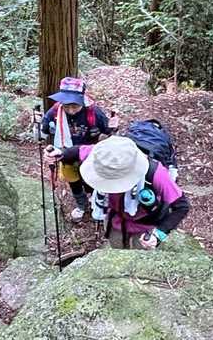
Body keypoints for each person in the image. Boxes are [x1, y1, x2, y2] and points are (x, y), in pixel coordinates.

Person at [46, 135, 189, 250]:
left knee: (140, 257)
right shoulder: (103, 156)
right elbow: (77, 152)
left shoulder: (156, 174)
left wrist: (159, 234)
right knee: (116, 247)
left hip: (146, 227)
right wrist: (61, 153)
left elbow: (181, 206)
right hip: (116, 221)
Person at [38, 76, 111, 221]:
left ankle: (95, 200)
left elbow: (108, 133)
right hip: (65, 155)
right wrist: (38, 125)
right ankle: (81, 204)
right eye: (67, 106)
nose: (71, 110)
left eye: (75, 106)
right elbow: (42, 133)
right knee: (74, 181)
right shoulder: (55, 111)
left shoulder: (94, 112)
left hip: (89, 154)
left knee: (90, 179)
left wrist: (110, 130)